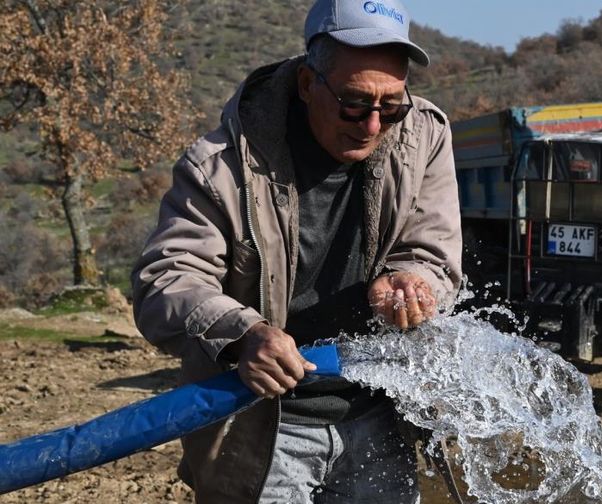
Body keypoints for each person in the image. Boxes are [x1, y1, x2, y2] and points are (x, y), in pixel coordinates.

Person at [131, 0, 462, 501]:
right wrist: (244, 335)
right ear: (309, 85)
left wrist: (412, 280)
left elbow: (434, 252)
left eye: (390, 106)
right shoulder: (218, 167)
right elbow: (168, 279)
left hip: (378, 413)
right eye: (355, 103)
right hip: (262, 421)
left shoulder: (424, 136)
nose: (373, 125)